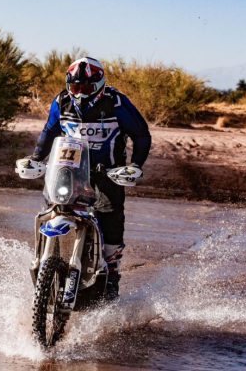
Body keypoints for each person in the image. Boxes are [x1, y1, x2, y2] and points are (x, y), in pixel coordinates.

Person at [21, 57, 151, 300]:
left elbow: (141, 135)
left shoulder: (117, 103)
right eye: (75, 87)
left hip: (108, 173)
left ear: (100, 84)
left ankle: (111, 272)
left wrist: (135, 165)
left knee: (109, 215)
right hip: (68, 169)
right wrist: (37, 158)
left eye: (86, 88)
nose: (80, 93)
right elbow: (50, 131)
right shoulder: (61, 101)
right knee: (51, 208)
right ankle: (46, 259)